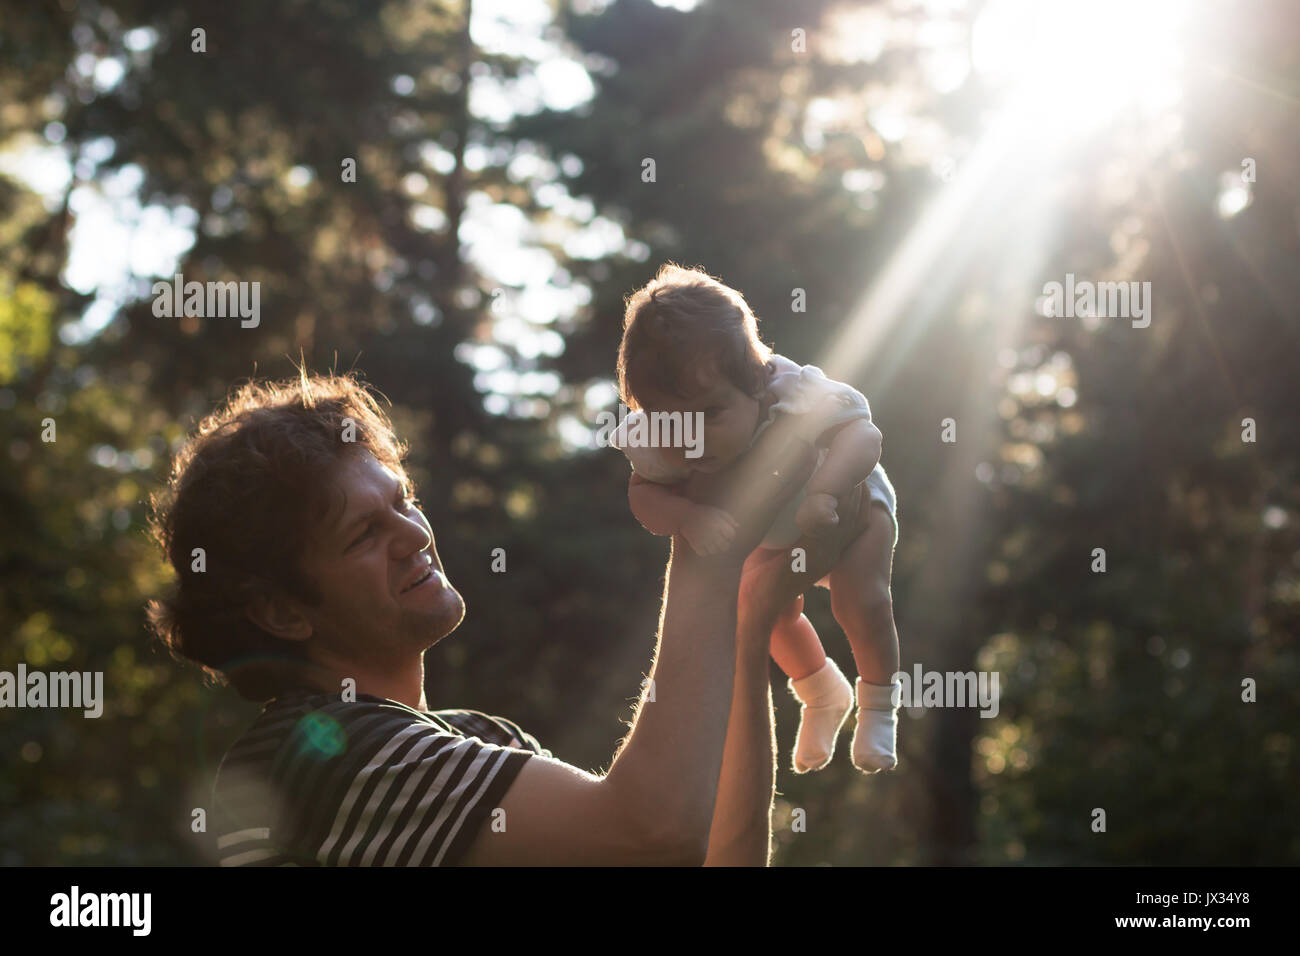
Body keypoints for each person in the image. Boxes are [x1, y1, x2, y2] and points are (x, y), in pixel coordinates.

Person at [146, 369, 871, 866]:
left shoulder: (475, 743)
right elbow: (652, 830)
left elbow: (704, 855)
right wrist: (706, 540)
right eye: (364, 534)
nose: (413, 535)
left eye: (403, 502)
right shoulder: (318, 755)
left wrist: (744, 627)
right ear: (280, 611)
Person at [611, 263, 902, 775]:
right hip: (776, 528)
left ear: (757, 385)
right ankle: (820, 693)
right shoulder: (658, 442)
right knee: (767, 615)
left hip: (850, 509)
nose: (689, 437)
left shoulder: (794, 394)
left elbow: (865, 438)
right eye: (670, 420)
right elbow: (643, 498)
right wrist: (687, 514)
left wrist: (826, 491)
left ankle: (879, 706)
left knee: (861, 600)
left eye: (711, 414)